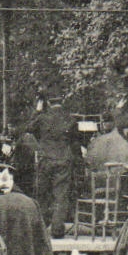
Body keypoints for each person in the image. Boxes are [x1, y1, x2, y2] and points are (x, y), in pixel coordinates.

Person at [23, 90, 79, 241]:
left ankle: (40, 229)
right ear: (62, 102)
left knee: (42, 194)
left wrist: (37, 110)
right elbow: (75, 142)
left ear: (47, 102)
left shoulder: (42, 118)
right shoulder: (70, 119)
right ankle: (57, 229)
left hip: (46, 160)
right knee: (61, 195)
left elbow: (28, 128)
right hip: (63, 160)